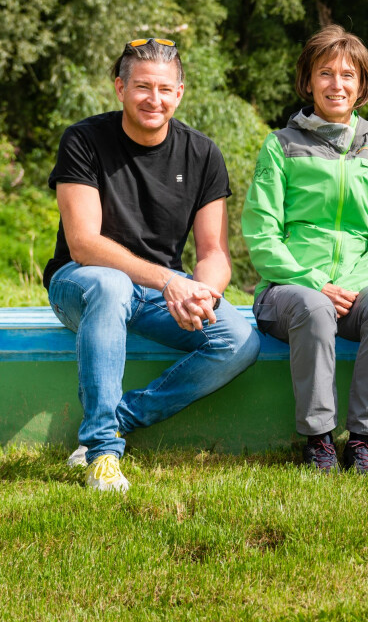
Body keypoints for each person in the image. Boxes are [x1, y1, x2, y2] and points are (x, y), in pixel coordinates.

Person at [47, 38, 259, 492]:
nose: (154, 99)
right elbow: (83, 244)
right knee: (110, 286)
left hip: (157, 290)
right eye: (142, 87)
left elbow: (213, 254)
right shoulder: (83, 140)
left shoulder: (202, 154)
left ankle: (119, 418)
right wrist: (170, 282)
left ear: (179, 93)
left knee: (238, 340)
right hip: (80, 284)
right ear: (120, 87)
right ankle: (103, 452)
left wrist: (204, 293)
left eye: (165, 89)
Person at [243, 25, 368, 474]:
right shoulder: (280, 147)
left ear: (362, 85)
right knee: (314, 307)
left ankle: (364, 441)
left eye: (348, 75)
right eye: (325, 73)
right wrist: (318, 284)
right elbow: (261, 235)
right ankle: (319, 441)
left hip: (353, 291)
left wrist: (347, 287)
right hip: (287, 292)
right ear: (308, 81)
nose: (337, 84)